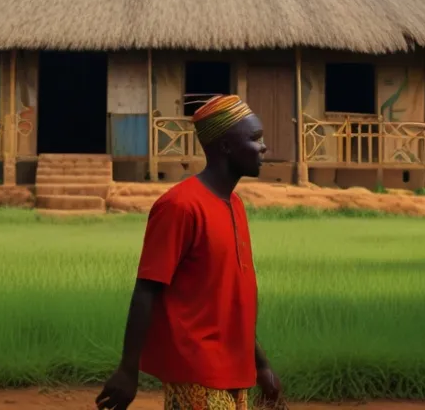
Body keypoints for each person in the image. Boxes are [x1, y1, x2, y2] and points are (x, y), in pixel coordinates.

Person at [96, 95, 288, 410]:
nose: (264, 147)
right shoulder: (180, 206)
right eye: (255, 139)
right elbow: (146, 288)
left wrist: (261, 365)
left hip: (233, 370)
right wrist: (128, 370)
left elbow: (226, 300)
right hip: (197, 370)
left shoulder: (235, 205)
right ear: (226, 147)